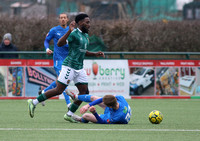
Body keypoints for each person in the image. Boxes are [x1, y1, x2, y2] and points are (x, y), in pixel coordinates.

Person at [27, 13, 105, 122]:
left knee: (85, 92)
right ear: (80, 23)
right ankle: (34, 102)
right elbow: (59, 43)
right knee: (59, 90)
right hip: (69, 66)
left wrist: (95, 54)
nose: (89, 24)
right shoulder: (74, 33)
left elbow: (83, 51)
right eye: (87, 22)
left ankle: (69, 114)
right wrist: (69, 31)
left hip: (79, 68)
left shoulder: (86, 36)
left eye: (89, 22)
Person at [38, 13, 72, 108]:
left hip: (68, 59)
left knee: (59, 81)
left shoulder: (71, 30)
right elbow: (46, 40)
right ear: (59, 20)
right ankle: (69, 104)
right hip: (58, 59)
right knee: (63, 81)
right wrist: (47, 49)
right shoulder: (54, 30)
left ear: (67, 19)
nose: (63, 19)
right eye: (61, 18)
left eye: (64, 18)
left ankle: (43, 92)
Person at [66, 90, 132, 124]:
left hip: (111, 115)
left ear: (110, 107)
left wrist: (94, 112)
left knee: (85, 116)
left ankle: (80, 119)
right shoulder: (120, 98)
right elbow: (102, 99)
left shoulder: (116, 117)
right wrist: (88, 105)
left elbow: (102, 121)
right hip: (115, 110)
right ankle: (76, 97)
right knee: (94, 98)